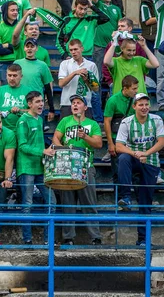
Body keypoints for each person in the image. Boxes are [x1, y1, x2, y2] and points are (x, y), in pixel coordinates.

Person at [116, 93, 164, 246]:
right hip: (134, 158)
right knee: (123, 158)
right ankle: (125, 196)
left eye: (146, 104)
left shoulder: (156, 120)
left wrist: (146, 153)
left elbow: (162, 141)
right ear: (134, 106)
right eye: (140, 104)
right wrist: (135, 154)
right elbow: (118, 146)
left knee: (145, 202)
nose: (144, 107)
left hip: (150, 160)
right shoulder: (126, 122)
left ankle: (142, 240)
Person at [52, 94, 103, 245]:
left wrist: (85, 137)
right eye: (73, 102)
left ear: (85, 107)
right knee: (68, 203)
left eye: (78, 103)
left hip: (85, 166)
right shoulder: (65, 121)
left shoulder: (92, 124)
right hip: (67, 166)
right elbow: (55, 138)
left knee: (89, 202)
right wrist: (64, 150)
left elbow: (99, 144)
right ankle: (68, 238)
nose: (75, 105)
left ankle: (95, 237)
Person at [16, 91, 56, 244]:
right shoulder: (22, 121)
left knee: (52, 202)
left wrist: (47, 151)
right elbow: (23, 146)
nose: (41, 104)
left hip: (40, 167)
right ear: (29, 104)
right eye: (38, 101)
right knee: (27, 204)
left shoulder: (39, 119)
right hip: (26, 168)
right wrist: (42, 151)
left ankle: (48, 240)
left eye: (42, 101)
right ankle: (27, 240)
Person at [104, 75, 138, 182]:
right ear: (125, 88)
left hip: (132, 138)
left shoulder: (136, 100)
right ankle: (118, 196)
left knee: (136, 171)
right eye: (134, 89)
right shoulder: (113, 100)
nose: (136, 91)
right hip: (116, 137)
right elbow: (107, 121)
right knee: (118, 171)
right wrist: (110, 143)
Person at [13, 38, 54, 122]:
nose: (29, 48)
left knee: (37, 132)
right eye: (27, 46)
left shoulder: (43, 65)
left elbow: (47, 88)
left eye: (32, 46)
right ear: (24, 48)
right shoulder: (17, 63)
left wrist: (51, 109)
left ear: (37, 48)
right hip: (20, 103)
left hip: (36, 104)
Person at [57, 39, 99, 119]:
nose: (73, 52)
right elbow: (61, 83)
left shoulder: (91, 65)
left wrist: (86, 80)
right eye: (71, 50)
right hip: (67, 103)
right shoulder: (64, 64)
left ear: (82, 49)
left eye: (75, 49)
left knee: (85, 130)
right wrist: (74, 73)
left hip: (85, 104)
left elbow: (96, 88)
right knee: (66, 130)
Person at [0, 5, 31, 83]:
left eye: (17, 10)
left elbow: (24, 45)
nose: (15, 12)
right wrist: (15, 48)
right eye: (12, 10)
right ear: (5, 12)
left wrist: (7, 45)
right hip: (4, 63)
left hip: (20, 61)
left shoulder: (22, 27)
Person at [0, 64, 31, 132]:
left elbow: (34, 111)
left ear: (21, 77)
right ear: (6, 76)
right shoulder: (1, 90)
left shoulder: (29, 91)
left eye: (15, 75)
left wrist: (20, 110)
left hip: (22, 130)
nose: (12, 78)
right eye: (9, 75)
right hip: (3, 131)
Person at [0, 118, 15, 217]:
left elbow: (9, 158)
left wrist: (7, 178)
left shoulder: (9, 134)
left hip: (2, 173)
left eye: (0, 122)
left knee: (1, 207)